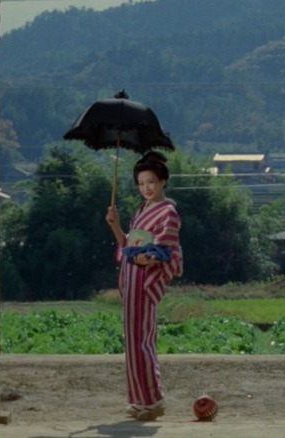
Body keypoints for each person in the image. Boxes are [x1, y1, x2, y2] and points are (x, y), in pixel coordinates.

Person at [105, 151, 183, 421]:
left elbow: (167, 249)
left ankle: (153, 399)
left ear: (162, 181)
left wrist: (146, 258)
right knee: (133, 341)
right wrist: (115, 226)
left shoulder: (169, 213)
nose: (146, 188)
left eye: (151, 181)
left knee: (142, 341)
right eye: (140, 183)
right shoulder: (141, 211)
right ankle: (139, 399)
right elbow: (127, 244)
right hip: (131, 277)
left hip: (145, 279)